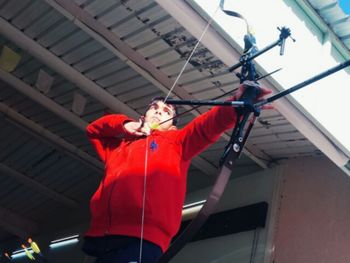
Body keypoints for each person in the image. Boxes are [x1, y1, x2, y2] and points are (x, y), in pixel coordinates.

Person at [82, 82, 271, 263]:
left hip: (144, 239)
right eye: (154, 107)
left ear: (172, 124)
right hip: (103, 236)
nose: (159, 111)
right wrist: (124, 124)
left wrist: (237, 103)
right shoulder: (119, 146)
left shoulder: (177, 142)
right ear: (143, 115)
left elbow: (208, 125)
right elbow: (94, 130)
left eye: (167, 111)